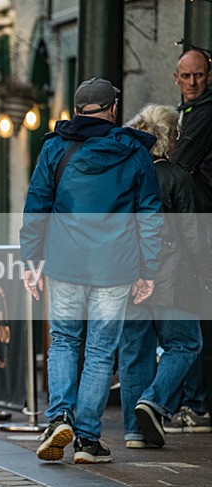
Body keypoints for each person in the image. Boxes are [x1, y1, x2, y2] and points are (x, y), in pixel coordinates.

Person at [20, 78, 162, 464]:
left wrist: (30, 261)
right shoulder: (134, 152)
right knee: (101, 352)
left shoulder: (55, 147)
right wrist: (148, 269)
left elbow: (37, 208)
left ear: (78, 110)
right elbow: (149, 215)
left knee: (64, 340)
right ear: (113, 109)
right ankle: (86, 439)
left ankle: (59, 417)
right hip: (116, 265)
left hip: (65, 261)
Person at [117, 104, 209, 448]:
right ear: (170, 137)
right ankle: (154, 401)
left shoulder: (124, 174)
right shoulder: (176, 176)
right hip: (171, 277)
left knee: (134, 350)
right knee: (185, 343)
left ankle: (134, 430)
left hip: (127, 273)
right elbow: (193, 235)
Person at [167, 49, 212, 433]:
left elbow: (178, 158)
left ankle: (196, 406)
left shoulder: (205, 112)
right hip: (192, 224)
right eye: (187, 76)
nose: (194, 83)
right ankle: (191, 402)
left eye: (199, 76)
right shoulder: (185, 112)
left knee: (196, 313)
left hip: (202, 224)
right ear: (176, 78)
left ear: (209, 77)